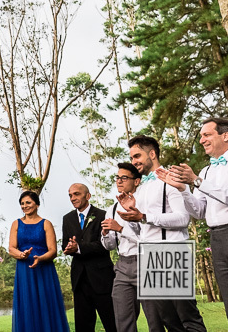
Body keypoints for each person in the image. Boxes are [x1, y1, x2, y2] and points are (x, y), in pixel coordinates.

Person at [118, 135, 205, 332]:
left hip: (173, 252)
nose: (134, 162)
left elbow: (183, 219)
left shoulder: (170, 180)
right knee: (168, 320)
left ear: (152, 153)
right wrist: (132, 215)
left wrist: (144, 216)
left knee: (188, 319)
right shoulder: (140, 190)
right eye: (132, 158)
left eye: (137, 156)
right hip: (149, 256)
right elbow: (140, 231)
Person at [162, 117, 228, 318]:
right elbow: (199, 211)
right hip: (216, 238)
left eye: (207, 135)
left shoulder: (201, 177)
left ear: (225, 135)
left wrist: (196, 181)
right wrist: (183, 189)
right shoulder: (205, 171)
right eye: (200, 136)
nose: (202, 140)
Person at [9, 190, 69, 332]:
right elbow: (11, 248)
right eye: (22, 204)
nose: (25, 206)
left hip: (44, 270)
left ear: (37, 204)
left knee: (46, 304)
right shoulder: (16, 224)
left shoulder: (46, 224)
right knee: (27, 305)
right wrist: (21, 254)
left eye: (28, 202)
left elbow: (53, 251)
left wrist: (40, 258)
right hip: (25, 270)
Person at [61, 183, 117, 332]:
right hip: (79, 279)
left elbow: (104, 245)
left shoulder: (103, 215)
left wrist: (79, 248)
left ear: (88, 196)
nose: (73, 198)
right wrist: (69, 248)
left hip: (102, 278)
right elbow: (65, 244)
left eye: (76, 194)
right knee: (83, 326)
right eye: (70, 195)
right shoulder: (67, 219)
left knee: (112, 323)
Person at [101, 163, 142, 332]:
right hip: (122, 265)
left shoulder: (144, 202)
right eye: (117, 178)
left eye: (124, 178)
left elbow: (146, 238)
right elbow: (110, 246)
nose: (119, 181)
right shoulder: (112, 209)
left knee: (158, 317)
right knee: (122, 320)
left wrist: (120, 228)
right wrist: (105, 234)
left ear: (137, 181)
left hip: (146, 260)